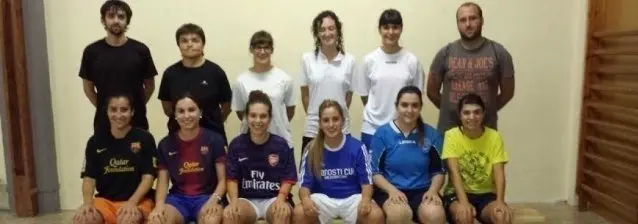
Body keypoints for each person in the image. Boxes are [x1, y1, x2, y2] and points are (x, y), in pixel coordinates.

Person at [426, 2, 515, 133]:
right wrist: (454, 112)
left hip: (485, 133)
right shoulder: (445, 53)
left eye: (473, 18)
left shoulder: (499, 53)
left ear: (482, 20)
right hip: (449, 132)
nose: (468, 24)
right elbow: (431, 91)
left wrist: (485, 111)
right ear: (457, 24)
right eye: (463, 20)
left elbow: (508, 93)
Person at [293, 100, 384, 224]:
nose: (331, 125)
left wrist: (366, 200)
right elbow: (304, 186)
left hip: (352, 199)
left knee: (376, 215)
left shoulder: (357, 147)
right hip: (323, 200)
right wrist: (305, 200)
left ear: (343, 121)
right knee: (299, 212)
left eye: (335, 119)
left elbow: (367, 183)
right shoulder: (311, 149)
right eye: (326, 120)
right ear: (320, 123)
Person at [73, 94, 156, 224]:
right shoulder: (95, 141)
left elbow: (148, 177)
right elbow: (89, 178)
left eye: (124, 110)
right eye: (113, 109)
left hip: (138, 200)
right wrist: (87, 204)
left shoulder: (144, 138)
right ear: (107, 111)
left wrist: (132, 202)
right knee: (83, 219)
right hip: (105, 201)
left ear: (132, 112)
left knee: (128, 220)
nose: (118, 115)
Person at [370, 86, 446, 224]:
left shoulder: (432, 135)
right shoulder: (382, 134)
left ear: (420, 107)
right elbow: (375, 172)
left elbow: (438, 171)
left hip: (422, 191)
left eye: (415, 105)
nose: (409, 110)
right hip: (390, 190)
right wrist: (392, 190)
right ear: (397, 106)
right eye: (404, 105)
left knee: (435, 215)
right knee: (399, 215)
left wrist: (433, 191)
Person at [79, 0, 157, 132]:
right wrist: (106, 108)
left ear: (127, 21)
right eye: (111, 16)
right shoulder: (91, 52)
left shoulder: (141, 50)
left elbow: (150, 85)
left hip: (137, 122)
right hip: (104, 123)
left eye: (121, 17)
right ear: (103, 20)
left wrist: (134, 107)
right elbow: (88, 88)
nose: (116, 21)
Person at [352, 9, 425, 149]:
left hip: (404, 129)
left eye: (395, 27)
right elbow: (365, 95)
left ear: (401, 29)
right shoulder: (369, 60)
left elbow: (417, 96)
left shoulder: (412, 61)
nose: (391, 32)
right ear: (380, 30)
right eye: (386, 27)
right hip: (372, 129)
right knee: (373, 170)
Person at [149, 94, 227, 224]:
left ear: (200, 112)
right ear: (175, 114)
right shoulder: (165, 144)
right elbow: (162, 183)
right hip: (177, 200)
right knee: (157, 221)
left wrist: (214, 200)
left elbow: (223, 179)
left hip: (207, 197)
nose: (186, 116)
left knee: (211, 220)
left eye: (191, 110)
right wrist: (159, 206)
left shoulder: (215, 140)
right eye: (181, 111)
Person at [224, 90, 297, 224]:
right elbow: (231, 179)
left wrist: (281, 200)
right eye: (253, 115)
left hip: (273, 198)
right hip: (247, 200)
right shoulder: (237, 144)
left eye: (263, 116)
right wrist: (234, 202)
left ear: (270, 118)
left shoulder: (281, 145)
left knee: (282, 215)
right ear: (246, 116)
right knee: (230, 216)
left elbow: (288, 178)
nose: (258, 120)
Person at [441, 93, 512, 224]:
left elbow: (499, 173)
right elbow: (454, 173)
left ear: (483, 114)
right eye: (466, 113)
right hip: (457, 194)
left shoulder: (494, 137)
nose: (472, 117)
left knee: (502, 217)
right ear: (460, 115)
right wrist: (463, 202)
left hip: (486, 195)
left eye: (476, 112)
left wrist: (500, 202)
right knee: (465, 216)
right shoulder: (451, 136)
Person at [158, 23, 232, 144]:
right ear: (178, 45)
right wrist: (186, 122)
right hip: (179, 139)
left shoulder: (216, 72)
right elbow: (167, 108)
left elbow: (227, 106)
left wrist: (211, 120)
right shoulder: (170, 74)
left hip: (212, 138)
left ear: (203, 44)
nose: (189, 44)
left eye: (195, 40)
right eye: (184, 41)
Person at [300, 10, 356, 153]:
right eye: (322, 30)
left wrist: (335, 119)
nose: (327, 33)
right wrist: (319, 119)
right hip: (313, 130)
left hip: (341, 129)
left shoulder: (349, 60)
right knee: (312, 173)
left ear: (337, 31)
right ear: (317, 34)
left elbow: (348, 96)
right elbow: (305, 95)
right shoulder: (307, 59)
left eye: (331, 28)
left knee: (342, 174)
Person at [231, 30, 296, 149]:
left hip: (280, 141)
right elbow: (241, 112)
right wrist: (257, 125)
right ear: (251, 50)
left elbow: (289, 111)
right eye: (258, 48)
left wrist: (275, 122)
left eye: (266, 48)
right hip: (250, 144)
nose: (262, 52)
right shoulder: (241, 81)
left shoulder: (285, 78)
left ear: (272, 50)